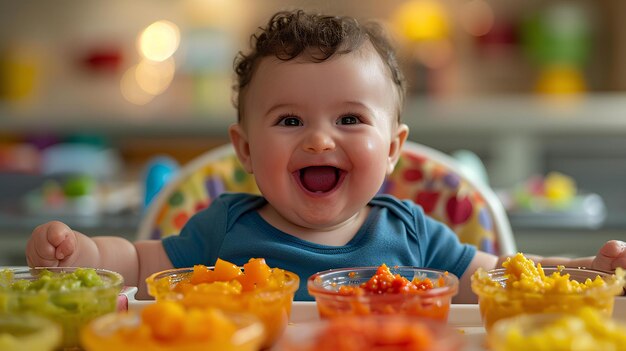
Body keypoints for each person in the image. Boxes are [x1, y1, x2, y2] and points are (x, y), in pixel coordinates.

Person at [26, 10, 626, 302]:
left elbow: (503, 278)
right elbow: (136, 262)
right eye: (289, 121)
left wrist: (585, 272)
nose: (319, 140)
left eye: (349, 119)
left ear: (392, 149)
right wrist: (80, 253)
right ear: (245, 150)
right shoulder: (223, 228)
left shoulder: (414, 234)